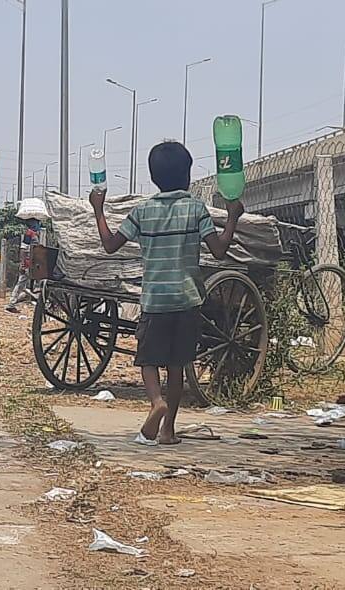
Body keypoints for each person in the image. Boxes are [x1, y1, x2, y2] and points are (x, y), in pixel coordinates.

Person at [90, 141, 243, 446]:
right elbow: (220, 250)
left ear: (153, 177)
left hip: (154, 299)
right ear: (186, 176)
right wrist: (233, 217)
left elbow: (109, 245)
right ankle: (168, 430)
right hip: (187, 299)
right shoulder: (196, 209)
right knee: (177, 365)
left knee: (148, 359)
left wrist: (98, 210)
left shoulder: (143, 211)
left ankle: (155, 401)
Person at [5, 218, 43, 314]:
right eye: (36, 223)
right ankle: (12, 304)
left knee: (26, 282)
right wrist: (22, 263)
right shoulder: (29, 234)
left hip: (34, 262)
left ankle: (20, 300)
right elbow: (23, 249)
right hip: (28, 263)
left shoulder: (34, 234)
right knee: (22, 282)